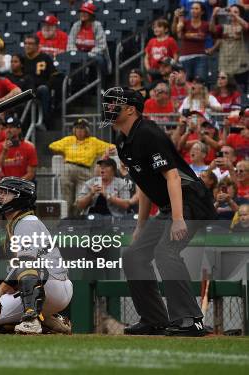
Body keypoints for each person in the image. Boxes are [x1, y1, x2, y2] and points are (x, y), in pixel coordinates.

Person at [101, 86, 216, 336]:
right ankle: (154, 319)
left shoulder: (149, 134)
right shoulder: (122, 140)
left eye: (113, 103)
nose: (108, 107)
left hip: (192, 201)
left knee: (166, 252)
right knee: (133, 256)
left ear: (130, 109)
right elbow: (144, 185)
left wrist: (178, 219)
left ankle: (190, 319)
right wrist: (141, 226)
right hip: (168, 205)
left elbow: (173, 177)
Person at [0, 177, 73, 335]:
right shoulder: (14, 224)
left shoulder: (27, 222)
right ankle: (49, 322)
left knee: (26, 263)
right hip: (42, 288)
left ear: (19, 198)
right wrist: (2, 294)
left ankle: (32, 320)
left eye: (5, 193)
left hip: (55, 285)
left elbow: (27, 262)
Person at [209, 5, 249, 91]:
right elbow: (212, 30)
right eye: (231, 12)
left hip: (240, 66)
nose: (232, 14)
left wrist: (235, 16)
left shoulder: (243, 27)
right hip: (225, 65)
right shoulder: (223, 27)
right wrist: (213, 15)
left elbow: (246, 27)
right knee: (225, 91)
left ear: (240, 15)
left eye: (236, 12)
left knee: (241, 94)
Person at [67, 2, 111, 74]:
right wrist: (75, 52)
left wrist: (88, 54)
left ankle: (102, 82)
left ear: (91, 15)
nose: (82, 14)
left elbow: (101, 45)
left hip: (93, 54)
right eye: (82, 12)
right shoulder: (76, 25)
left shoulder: (97, 26)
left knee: (99, 60)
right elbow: (70, 42)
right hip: (78, 53)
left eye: (86, 12)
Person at [22, 35, 56, 124]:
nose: (27, 46)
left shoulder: (45, 58)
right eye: (25, 43)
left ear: (37, 46)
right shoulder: (22, 59)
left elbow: (54, 75)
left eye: (30, 44)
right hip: (25, 89)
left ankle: (45, 120)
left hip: (40, 89)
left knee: (43, 89)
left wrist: (47, 85)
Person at [172, 3, 210, 82]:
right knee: (185, 82)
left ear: (202, 12)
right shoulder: (184, 23)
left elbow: (217, 37)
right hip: (185, 57)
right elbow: (174, 32)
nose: (193, 10)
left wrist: (212, 49)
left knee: (200, 82)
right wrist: (176, 18)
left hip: (200, 57)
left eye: (196, 8)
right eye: (192, 8)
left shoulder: (206, 24)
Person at [0, 116, 38, 181]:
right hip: (4, 187)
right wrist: (4, 151)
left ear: (19, 130)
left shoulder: (29, 147)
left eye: (11, 127)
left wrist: (15, 185)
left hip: (22, 186)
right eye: (6, 127)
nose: (8, 130)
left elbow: (31, 174)